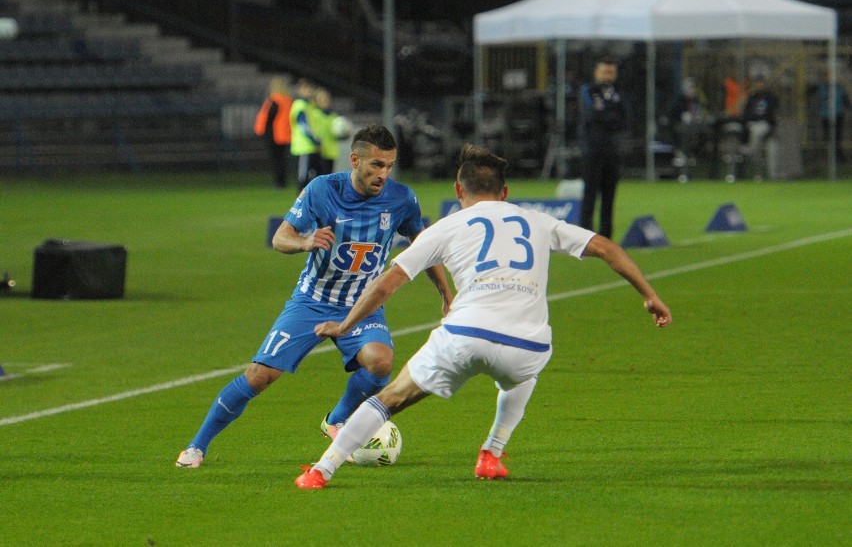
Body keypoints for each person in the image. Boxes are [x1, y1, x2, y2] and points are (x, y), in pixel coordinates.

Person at [294, 144, 672, 489]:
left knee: (391, 398)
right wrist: (650, 296)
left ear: (459, 192)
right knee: (524, 371)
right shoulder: (538, 221)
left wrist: (346, 325)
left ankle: (320, 470)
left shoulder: (446, 227)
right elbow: (606, 247)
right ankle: (492, 454)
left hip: (464, 335)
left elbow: (387, 283)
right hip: (527, 347)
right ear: (505, 193)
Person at [176, 124, 453, 469]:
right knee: (259, 376)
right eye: (376, 166)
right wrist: (305, 242)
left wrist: (445, 293)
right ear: (354, 160)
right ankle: (196, 446)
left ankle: (336, 420)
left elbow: (423, 246)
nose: (384, 174)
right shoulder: (322, 190)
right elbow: (281, 237)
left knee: (381, 363)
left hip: (363, 304)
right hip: (312, 301)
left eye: (389, 166)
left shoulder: (401, 199)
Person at [578, 59, 629, 239]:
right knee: (590, 194)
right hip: (592, 150)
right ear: (596, 73)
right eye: (605, 72)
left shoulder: (618, 93)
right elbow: (591, 115)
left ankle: (606, 236)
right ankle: (584, 236)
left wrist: (605, 115)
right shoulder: (588, 90)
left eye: (611, 72)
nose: (608, 76)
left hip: (612, 150)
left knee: (609, 195)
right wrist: (609, 116)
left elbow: (624, 118)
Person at [734, 75, 778, 181]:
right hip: (752, 125)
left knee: (760, 135)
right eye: (758, 83)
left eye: (761, 82)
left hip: (764, 125)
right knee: (754, 131)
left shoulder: (770, 97)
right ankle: (752, 151)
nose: (760, 85)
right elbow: (746, 115)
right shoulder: (751, 97)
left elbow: (771, 116)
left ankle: (750, 151)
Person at [254, 76, 294, 188]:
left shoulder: (274, 101)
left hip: (274, 135)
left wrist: (260, 131)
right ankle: (282, 181)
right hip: (285, 134)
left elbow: (266, 118)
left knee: (276, 160)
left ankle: (279, 183)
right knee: (282, 159)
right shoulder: (289, 101)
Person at [668, 77, 711, 179]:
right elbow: (672, 117)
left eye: (694, 88)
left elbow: (700, 113)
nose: (693, 91)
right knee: (684, 132)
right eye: (691, 88)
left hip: (694, 128)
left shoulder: (697, 100)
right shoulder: (679, 100)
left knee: (705, 131)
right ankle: (682, 153)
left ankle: (694, 152)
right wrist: (683, 116)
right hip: (680, 130)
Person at [290, 78, 322, 192]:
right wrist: (315, 140)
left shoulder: (310, 105)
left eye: (310, 88)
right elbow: (303, 126)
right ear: (300, 90)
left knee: (312, 173)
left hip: (311, 145)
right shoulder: (300, 105)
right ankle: (300, 197)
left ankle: (310, 196)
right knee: (303, 174)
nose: (309, 91)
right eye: (306, 89)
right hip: (304, 145)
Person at [817, 68, 849, 162]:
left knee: (837, 137)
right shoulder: (822, 88)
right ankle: (832, 157)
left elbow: (844, 99)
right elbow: (821, 99)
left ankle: (838, 156)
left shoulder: (838, 87)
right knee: (829, 137)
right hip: (826, 115)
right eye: (827, 76)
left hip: (838, 114)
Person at [314, 87, 341, 175]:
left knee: (329, 175)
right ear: (317, 101)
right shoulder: (315, 114)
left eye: (326, 99)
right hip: (319, 150)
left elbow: (338, 133)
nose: (325, 101)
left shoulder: (334, 116)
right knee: (320, 176)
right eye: (322, 99)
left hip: (331, 151)